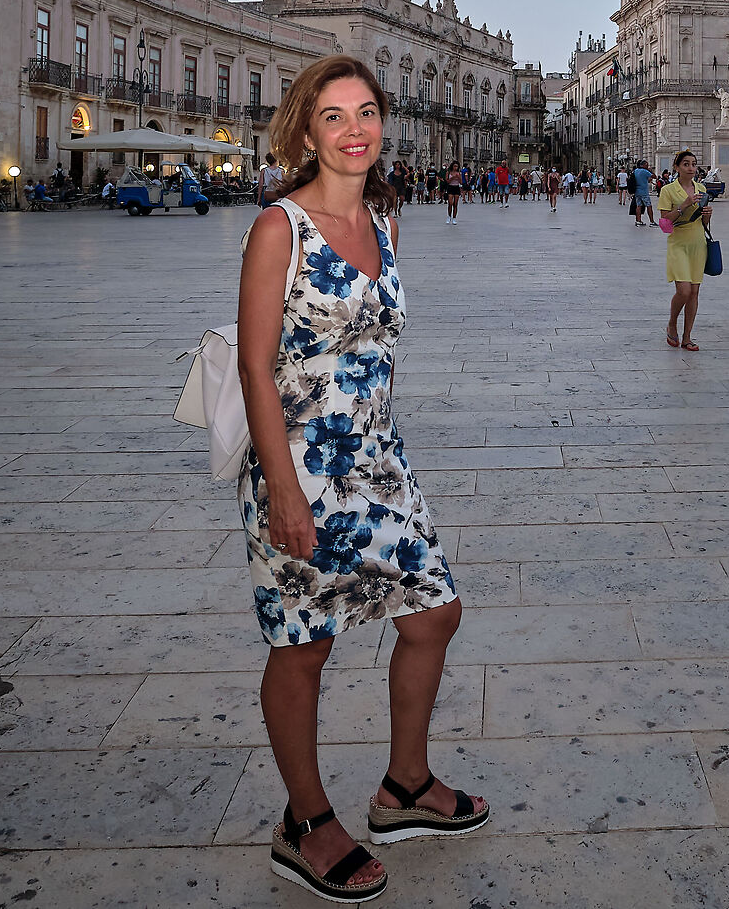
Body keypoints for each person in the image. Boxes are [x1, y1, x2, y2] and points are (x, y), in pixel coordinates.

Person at [239, 54, 487, 902]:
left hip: (380, 461)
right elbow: (252, 366)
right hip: (301, 465)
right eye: (335, 115)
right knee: (305, 643)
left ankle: (404, 787)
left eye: (367, 112)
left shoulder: (385, 218)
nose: (354, 130)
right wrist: (282, 488)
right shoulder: (281, 227)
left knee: (434, 612)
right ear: (306, 129)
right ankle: (304, 821)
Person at [658, 149, 713, 350]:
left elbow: (704, 222)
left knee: (694, 292)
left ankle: (687, 336)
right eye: (686, 164)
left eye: (693, 164)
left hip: (698, 243)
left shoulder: (701, 189)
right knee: (684, 290)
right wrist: (683, 205)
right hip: (678, 243)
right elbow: (664, 223)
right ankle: (672, 323)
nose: (691, 168)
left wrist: (707, 213)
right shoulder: (668, 190)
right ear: (677, 167)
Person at [630, 160, 654, 227]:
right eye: (647, 165)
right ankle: (652, 221)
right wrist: (650, 170)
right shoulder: (644, 171)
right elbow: (654, 176)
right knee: (649, 205)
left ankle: (638, 221)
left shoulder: (636, 171)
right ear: (644, 165)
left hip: (637, 191)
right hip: (644, 192)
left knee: (638, 206)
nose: (647, 166)